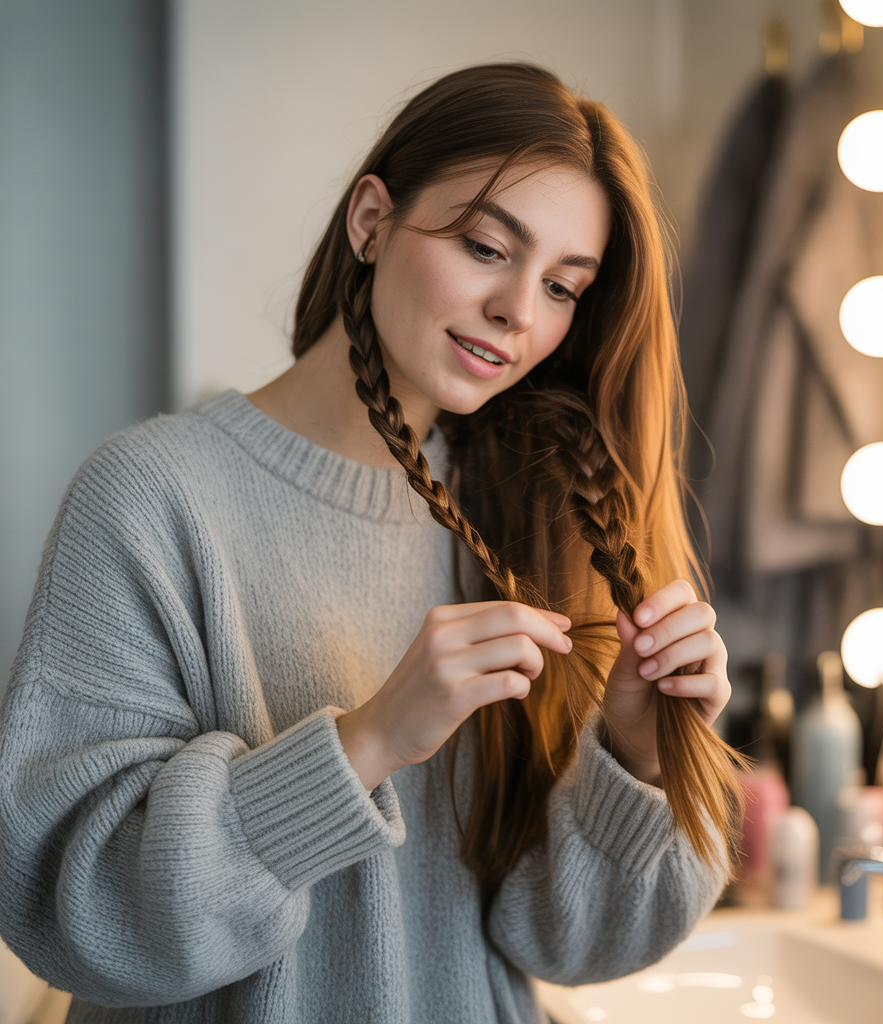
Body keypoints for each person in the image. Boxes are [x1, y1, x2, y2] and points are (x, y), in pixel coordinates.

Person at [0, 63, 739, 1024]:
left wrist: (636, 760)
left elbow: (559, 946)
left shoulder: (531, 516)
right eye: (486, 247)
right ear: (371, 221)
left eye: (563, 286)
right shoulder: (152, 497)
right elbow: (70, 911)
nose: (520, 310)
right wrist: (368, 742)